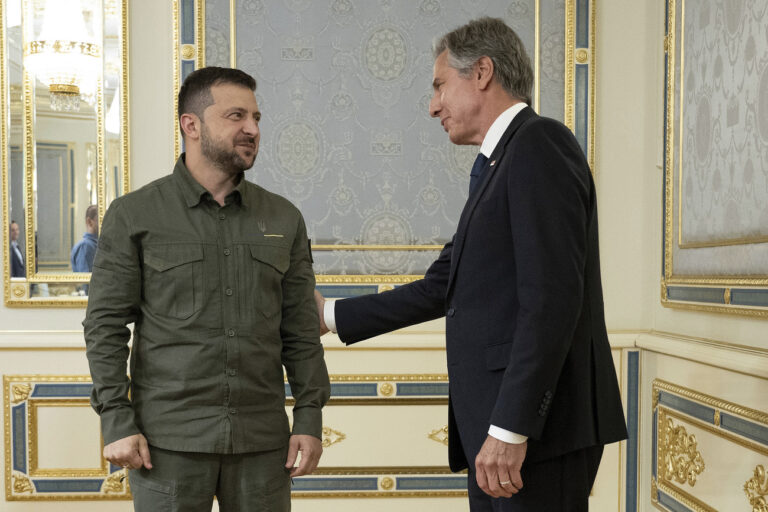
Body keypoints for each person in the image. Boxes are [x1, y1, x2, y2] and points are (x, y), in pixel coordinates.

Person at [315, 17, 627, 512]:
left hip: (534, 430)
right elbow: (443, 285)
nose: (433, 104)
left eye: (440, 85)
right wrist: (329, 315)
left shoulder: (539, 144)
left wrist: (510, 427)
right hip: (501, 426)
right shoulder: (498, 164)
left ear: (481, 72)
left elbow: (551, 302)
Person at [84, 66, 330, 512]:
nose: (252, 129)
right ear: (191, 125)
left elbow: (299, 327)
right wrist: (117, 421)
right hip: (167, 444)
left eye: (256, 118)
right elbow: (104, 326)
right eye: (236, 116)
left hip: (262, 444)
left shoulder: (283, 218)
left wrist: (310, 416)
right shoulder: (134, 215)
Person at [70, 204, 98, 272]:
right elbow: (86, 280)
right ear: (89, 222)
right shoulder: (85, 246)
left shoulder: (96, 244)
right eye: (100, 219)